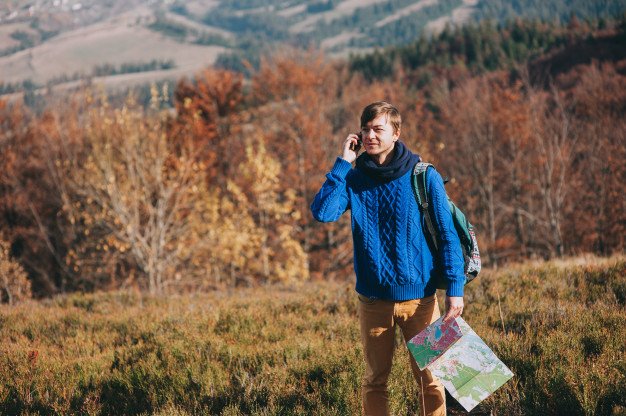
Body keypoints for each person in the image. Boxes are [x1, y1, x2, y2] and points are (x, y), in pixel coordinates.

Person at [310, 101, 465, 416]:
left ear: (396, 133)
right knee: (375, 381)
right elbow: (323, 212)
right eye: (365, 129)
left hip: (421, 301)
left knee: (433, 379)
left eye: (378, 129)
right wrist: (343, 163)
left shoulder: (424, 175)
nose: (370, 135)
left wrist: (455, 289)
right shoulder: (353, 179)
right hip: (373, 301)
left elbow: (448, 236)